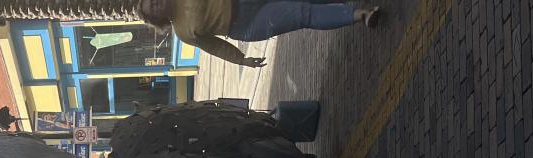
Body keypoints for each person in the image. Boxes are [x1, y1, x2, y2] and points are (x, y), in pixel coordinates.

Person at [138, 0, 380, 67]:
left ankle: (343, 7)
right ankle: (359, 15)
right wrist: (241, 59)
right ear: (157, 19)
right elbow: (215, 47)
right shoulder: (183, 32)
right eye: (153, 9)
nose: (156, 4)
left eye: (153, 0)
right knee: (302, 15)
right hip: (247, 24)